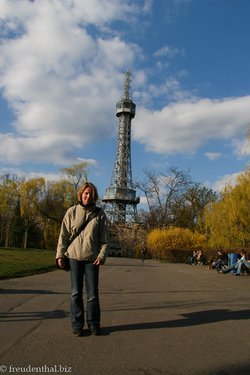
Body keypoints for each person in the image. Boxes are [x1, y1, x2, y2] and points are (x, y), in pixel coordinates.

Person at [56, 182, 109, 337]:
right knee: (75, 293)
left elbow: (105, 240)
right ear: (81, 194)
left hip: (92, 259)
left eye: (91, 194)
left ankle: (93, 324)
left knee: (93, 293)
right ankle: (77, 324)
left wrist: (101, 256)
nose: (88, 196)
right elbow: (63, 236)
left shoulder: (100, 215)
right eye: (85, 193)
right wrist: (60, 255)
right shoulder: (71, 212)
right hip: (73, 257)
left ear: (94, 196)